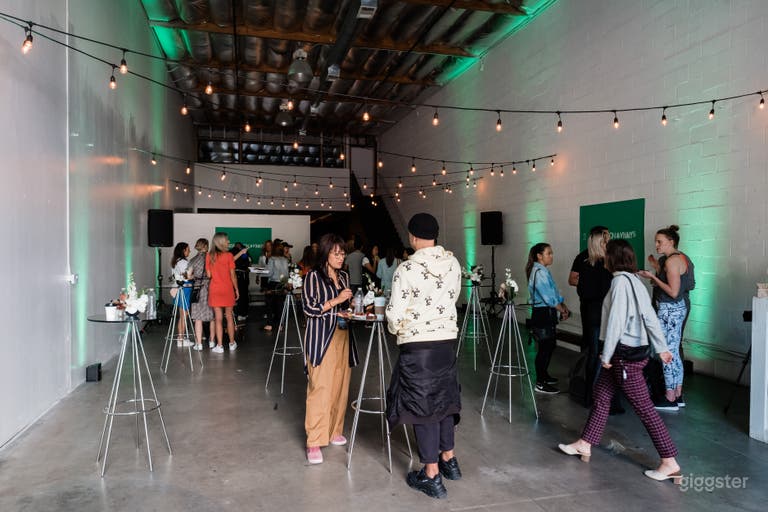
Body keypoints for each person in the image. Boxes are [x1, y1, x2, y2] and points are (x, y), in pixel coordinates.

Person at [558, 239, 682, 484]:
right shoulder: (636, 280)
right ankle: (585, 443)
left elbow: (616, 321)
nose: (603, 257)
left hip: (623, 355)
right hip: (632, 350)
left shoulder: (618, 283)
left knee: (645, 409)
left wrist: (606, 355)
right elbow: (649, 316)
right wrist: (661, 348)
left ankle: (669, 461)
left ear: (613, 258)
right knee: (602, 397)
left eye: (606, 253)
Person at [386, 213, 462, 500]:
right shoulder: (453, 262)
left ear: (413, 236)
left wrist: (398, 328)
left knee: (423, 405)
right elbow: (453, 296)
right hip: (446, 342)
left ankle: (431, 474)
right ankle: (449, 459)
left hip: (418, 345)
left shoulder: (406, 269)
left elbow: (394, 313)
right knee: (444, 399)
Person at [301, 233, 357, 464]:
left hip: (343, 336)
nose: (341, 257)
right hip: (321, 339)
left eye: (343, 253)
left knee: (340, 386)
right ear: (325, 254)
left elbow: (343, 305)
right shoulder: (313, 277)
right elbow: (310, 309)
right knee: (320, 389)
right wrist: (336, 300)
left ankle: (334, 430)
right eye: (337, 253)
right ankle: (314, 441)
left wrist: (351, 305)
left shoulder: (343, 275)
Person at [637, 225, 694, 410]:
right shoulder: (683, 258)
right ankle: (677, 393)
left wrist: (652, 277)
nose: (656, 244)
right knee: (674, 351)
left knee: (666, 352)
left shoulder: (671, 262)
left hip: (670, 309)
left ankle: (669, 397)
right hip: (679, 308)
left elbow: (673, 291)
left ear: (671, 242)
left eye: (660, 241)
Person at [568, 226, 620, 411]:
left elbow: (579, 284)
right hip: (602, 313)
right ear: (601, 241)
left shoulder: (587, 263)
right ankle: (605, 398)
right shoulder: (607, 263)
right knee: (603, 353)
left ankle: (590, 395)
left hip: (592, 311)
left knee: (594, 352)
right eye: (607, 239)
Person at [526, 243, 570, 394]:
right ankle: (540, 382)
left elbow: (554, 293)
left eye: (552, 253)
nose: (551, 256)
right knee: (545, 348)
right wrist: (561, 309)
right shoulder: (538, 272)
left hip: (548, 312)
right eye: (548, 253)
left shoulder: (544, 271)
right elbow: (548, 297)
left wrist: (563, 306)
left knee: (550, 345)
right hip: (542, 313)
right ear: (539, 255)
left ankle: (544, 375)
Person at [206, 232, 239, 353]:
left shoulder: (209, 256)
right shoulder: (229, 255)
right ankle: (231, 343)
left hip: (215, 289)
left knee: (218, 318)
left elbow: (209, 275)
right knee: (229, 317)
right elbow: (233, 275)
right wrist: (236, 289)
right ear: (221, 242)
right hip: (227, 289)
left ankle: (219, 346)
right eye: (227, 240)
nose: (228, 242)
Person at [188, 238, 216, 351]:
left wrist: (194, 276)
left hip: (198, 288)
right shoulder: (212, 258)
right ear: (206, 246)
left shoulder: (193, 260)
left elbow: (188, 275)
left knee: (198, 318)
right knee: (212, 317)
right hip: (211, 287)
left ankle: (198, 344)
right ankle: (212, 342)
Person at [170, 242, 194, 347]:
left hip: (179, 289)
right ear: (183, 250)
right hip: (185, 289)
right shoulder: (183, 262)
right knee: (184, 316)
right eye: (188, 249)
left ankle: (181, 338)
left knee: (182, 316)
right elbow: (187, 276)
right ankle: (181, 338)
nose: (189, 251)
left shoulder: (176, 261)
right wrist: (194, 275)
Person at [264, 242, 290, 332]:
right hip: (282, 283)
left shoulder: (272, 259)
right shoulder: (285, 259)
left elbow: (269, 273)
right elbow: (286, 274)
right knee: (280, 305)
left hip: (272, 283)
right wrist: (283, 283)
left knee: (269, 305)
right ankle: (280, 325)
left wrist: (262, 272)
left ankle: (269, 324)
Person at [230, 242, 251, 321]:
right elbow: (249, 262)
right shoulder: (243, 252)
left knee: (236, 295)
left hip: (234, 276)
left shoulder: (230, 252)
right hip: (241, 276)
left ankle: (235, 312)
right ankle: (242, 313)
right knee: (243, 295)